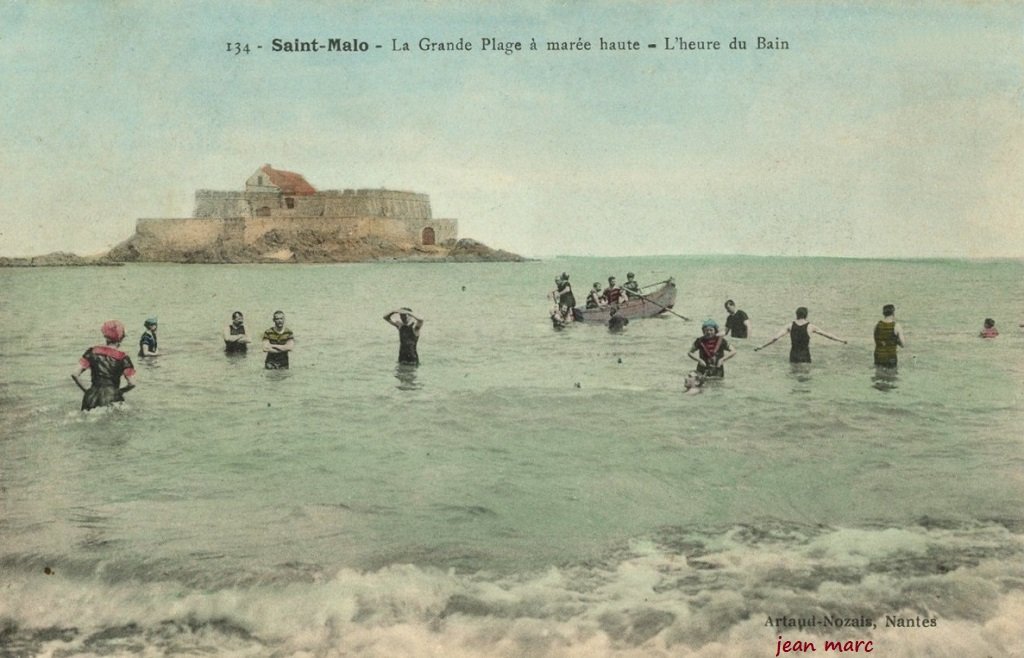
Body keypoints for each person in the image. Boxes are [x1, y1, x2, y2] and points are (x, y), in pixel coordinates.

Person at [72, 320, 136, 410]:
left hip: (90, 398)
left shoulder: (92, 351)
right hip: (111, 397)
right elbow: (132, 384)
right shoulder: (123, 358)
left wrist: (86, 391)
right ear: (121, 338)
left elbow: (75, 374)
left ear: (105, 336)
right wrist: (119, 392)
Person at [754, 307, 846, 363]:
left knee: (794, 377)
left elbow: (775, 338)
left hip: (793, 355)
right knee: (805, 378)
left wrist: (761, 346)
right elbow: (828, 335)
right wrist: (841, 340)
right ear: (806, 315)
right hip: (805, 355)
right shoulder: (810, 327)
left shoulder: (790, 325)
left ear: (796, 314)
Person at [873, 304, 905, 368]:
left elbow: (877, 339)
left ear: (883, 313)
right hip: (891, 357)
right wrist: (895, 340)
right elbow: (903, 345)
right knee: (892, 376)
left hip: (878, 356)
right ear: (893, 313)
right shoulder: (896, 326)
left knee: (878, 375)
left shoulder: (877, 325)